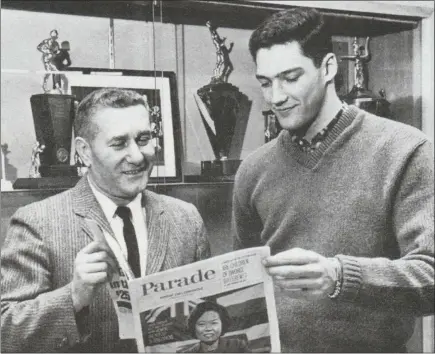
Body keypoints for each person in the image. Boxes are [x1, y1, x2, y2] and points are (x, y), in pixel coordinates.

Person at [232, 7, 434, 353]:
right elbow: (243, 285)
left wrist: (339, 276)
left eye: (290, 77)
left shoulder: (406, 150)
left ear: (328, 67)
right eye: (265, 82)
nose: (275, 97)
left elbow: (431, 277)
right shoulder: (253, 169)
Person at [1, 88, 211, 352]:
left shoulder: (186, 217)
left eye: (143, 139)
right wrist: (74, 296)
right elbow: (5, 333)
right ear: (85, 152)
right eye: (119, 143)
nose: (137, 156)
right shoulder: (37, 223)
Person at [178, 301, 250, 353]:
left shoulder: (238, 346)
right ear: (193, 327)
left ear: (223, 324)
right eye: (202, 324)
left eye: (214, 323)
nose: (208, 329)